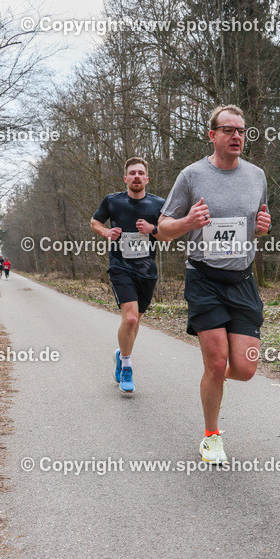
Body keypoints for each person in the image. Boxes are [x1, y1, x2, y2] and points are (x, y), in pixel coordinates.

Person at [156, 105, 271, 464]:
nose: (237, 136)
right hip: (204, 277)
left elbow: (258, 222)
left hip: (242, 279)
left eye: (241, 130)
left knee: (246, 368)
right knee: (217, 362)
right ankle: (211, 435)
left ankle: (213, 373)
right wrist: (188, 221)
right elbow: (162, 231)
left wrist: (263, 228)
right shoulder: (191, 176)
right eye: (228, 130)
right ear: (212, 135)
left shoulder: (257, 176)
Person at [90, 157, 165, 393]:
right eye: (132, 173)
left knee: (136, 321)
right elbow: (94, 221)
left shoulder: (159, 204)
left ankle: (121, 354)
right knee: (130, 318)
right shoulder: (112, 201)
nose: (136, 176)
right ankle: (126, 366)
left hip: (147, 270)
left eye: (140, 173)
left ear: (147, 178)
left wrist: (153, 229)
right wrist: (106, 231)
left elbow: (169, 235)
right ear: (125, 178)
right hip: (120, 266)